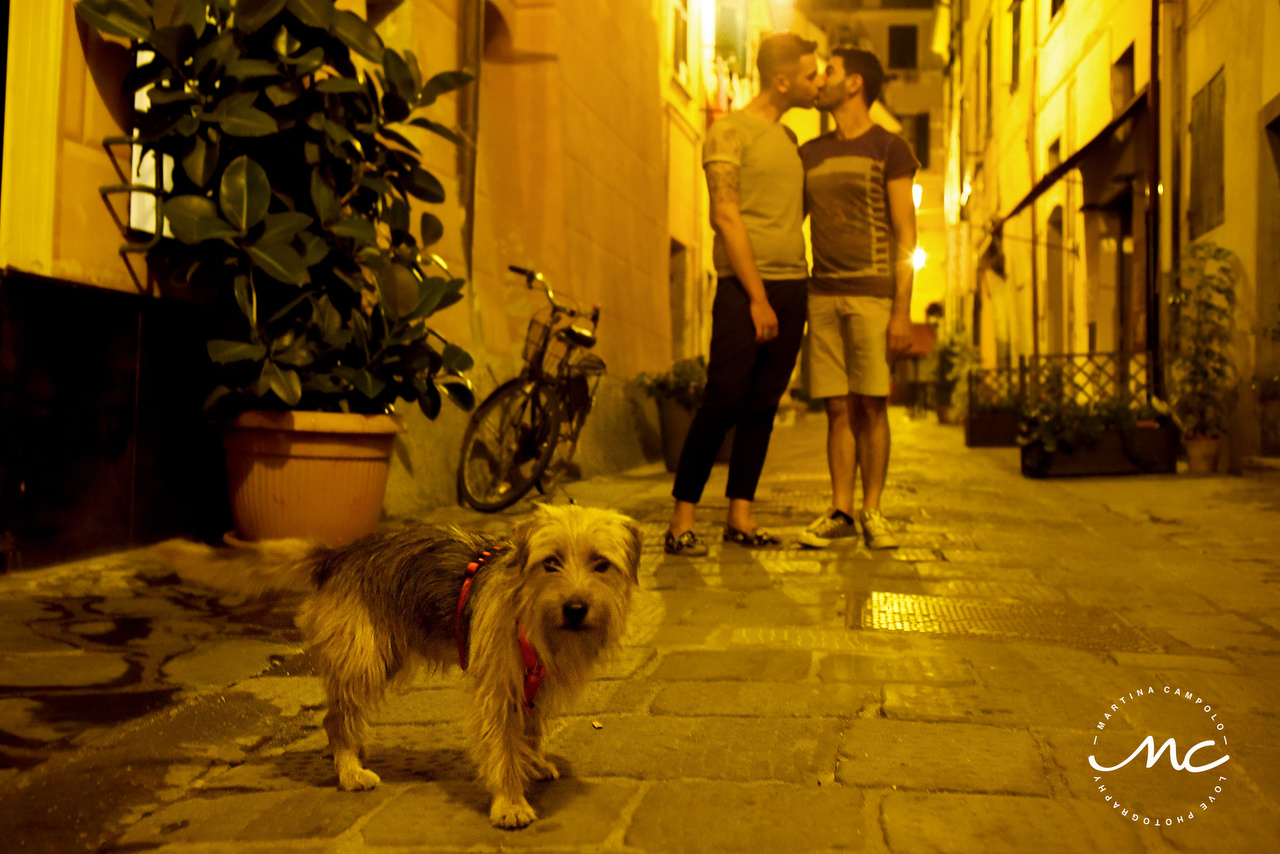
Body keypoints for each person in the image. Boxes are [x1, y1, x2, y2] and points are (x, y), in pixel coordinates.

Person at [664, 33, 824, 556]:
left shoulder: (789, 140)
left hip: (791, 283)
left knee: (762, 406)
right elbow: (725, 214)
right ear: (783, 80)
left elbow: (788, 213)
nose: (816, 82)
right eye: (810, 74)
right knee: (723, 400)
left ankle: (741, 518)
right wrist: (757, 296)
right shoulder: (728, 132)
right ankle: (680, 521)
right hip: (742, 287)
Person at [796, 47, 919, 550]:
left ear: (854, 84)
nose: (819, 79)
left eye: (829, 71)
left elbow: (906, 233)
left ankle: (874, 511)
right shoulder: (810, 154)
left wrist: (902, 311)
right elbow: (793, 221)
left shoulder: (890, 149)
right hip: (823, 294)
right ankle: (841, 511)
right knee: (837, 408)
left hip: (872, 295)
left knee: (872, 404)